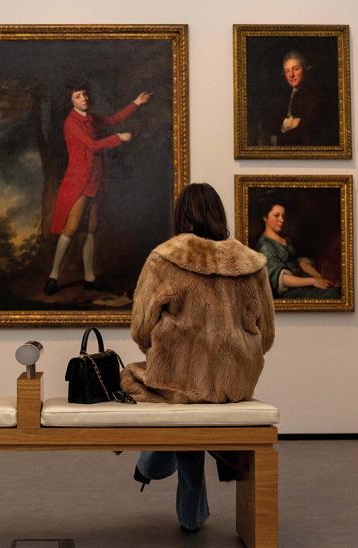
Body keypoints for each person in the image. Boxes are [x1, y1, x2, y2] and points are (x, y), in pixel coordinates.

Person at [120, 183, 276, 532]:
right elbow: (265, 334)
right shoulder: (252, 263)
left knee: (139, 381)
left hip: (180, 379)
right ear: (219, 214)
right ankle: (189, 514)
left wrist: (167, 352)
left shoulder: (165, 257)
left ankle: (152, 464)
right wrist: (237, 359)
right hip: (234, 383)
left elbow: (141, 327)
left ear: (181, 215)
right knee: (191, 410)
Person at [43, 81, 152, 296]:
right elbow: (92, 146)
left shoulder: (90, 118)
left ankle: (90, 278)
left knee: (92, 228)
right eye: (77, 96)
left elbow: (113, 119)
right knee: (72, 228)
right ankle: (53, 276)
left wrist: (136, 103)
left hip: (95, 180)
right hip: (78, 182)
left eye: (84, 94)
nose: (83, 98)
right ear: (71, 101)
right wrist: (118, 138)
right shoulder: (71, 123)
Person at [255, 203, 341, 299]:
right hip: (289, 291)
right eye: (276, 215)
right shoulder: (265, 246)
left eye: (283, 216)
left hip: (302, 281)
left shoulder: (285, 240)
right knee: (332, 295)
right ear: (265, 218)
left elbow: (297, 262)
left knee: (336, 290)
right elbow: (282, 279)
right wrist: (314, 281)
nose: (281, 220)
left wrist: (319, 277)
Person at [264, 50, 328, 146]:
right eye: (287, 71)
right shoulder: (283, 94)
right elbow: (272, 123)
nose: (291, 75)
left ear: (305, 69)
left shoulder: (315, 93)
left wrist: (297, 123)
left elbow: (312, 124)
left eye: (296, 69)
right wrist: (291, 123)